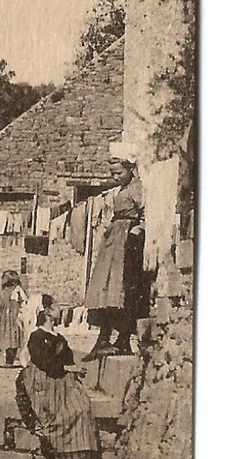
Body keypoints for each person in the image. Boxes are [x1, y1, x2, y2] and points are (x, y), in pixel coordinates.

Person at [16, 312, 109, 459]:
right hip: (43, 381)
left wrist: (73, 368)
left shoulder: (60, 338)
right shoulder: (37, 336)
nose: (60, 310)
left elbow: (69, 360)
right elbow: (42, 361)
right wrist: (65, 368)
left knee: (82, 409)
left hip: (63, 381)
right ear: (48, 312)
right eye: (56, 306)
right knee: (59, 416)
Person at [84, 140, 150, 360]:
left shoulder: (137, 188)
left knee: (121, 287)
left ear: (130, 169)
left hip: (127, 240)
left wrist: (139, 228)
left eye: (119, 173)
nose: (116, 177)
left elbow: (145, 211)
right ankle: (105, 338)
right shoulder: (122, 189)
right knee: (104, 285)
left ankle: (119, 338)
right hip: (115, 238)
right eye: (113, 174)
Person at [0, 270, 28, 367]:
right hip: (15, 320)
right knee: (13, 341)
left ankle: (8, 360)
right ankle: (9, 360)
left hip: (5, 321)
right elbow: (25, 304)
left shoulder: (1, 294)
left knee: (7, 340)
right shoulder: (19, 292)